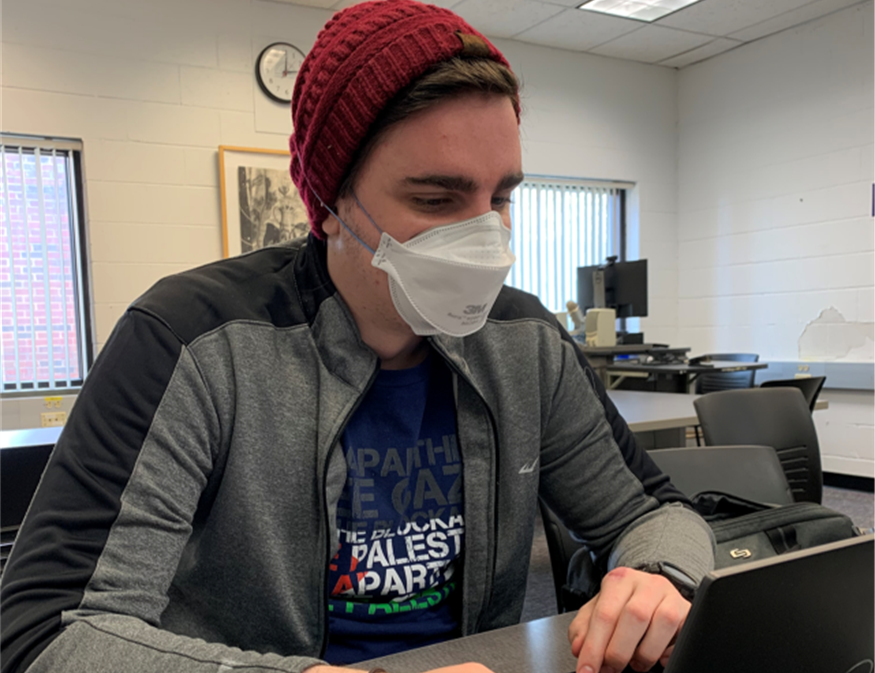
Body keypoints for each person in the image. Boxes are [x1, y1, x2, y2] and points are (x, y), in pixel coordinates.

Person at [0, 2, 715, 673]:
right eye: (435, 199)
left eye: (500, 198)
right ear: (332, 202)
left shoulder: (523, 340)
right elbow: (48, 634)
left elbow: (656, 514)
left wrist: (654, 576)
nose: (486, 237)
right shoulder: (190, 340)